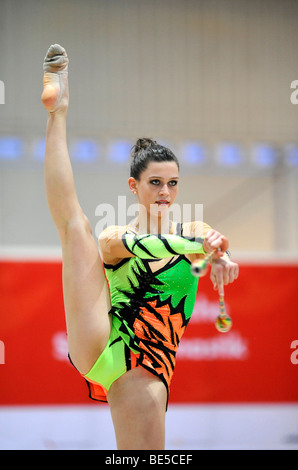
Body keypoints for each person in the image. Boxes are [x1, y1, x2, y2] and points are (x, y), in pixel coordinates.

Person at [41, 44, 239, 450]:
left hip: (150, 365)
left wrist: (221, 258)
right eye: (155, 183)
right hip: (112, 342)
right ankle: (58, 109)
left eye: (173, 183)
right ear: (134, 186)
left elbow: (213, 247)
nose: (166, 192)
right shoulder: (118, 234)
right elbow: (129, 243)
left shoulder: (195, 231)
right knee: (75, 228)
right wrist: (199, 245)